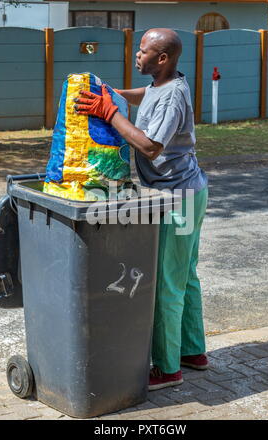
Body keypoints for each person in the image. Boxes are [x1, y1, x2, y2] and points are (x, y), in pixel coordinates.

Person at [74, 28, 209, 391]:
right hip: (187, 193)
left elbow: (150, 147)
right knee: (185, 275)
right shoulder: (161, 86)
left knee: (167, 280)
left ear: (162, 58)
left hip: (178, 199)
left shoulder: (173, 98)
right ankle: (193, 352)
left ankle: (168, 369)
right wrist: (114, 96)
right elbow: (143, 96)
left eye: (144, 51)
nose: (137, 55)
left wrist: (110, 113)